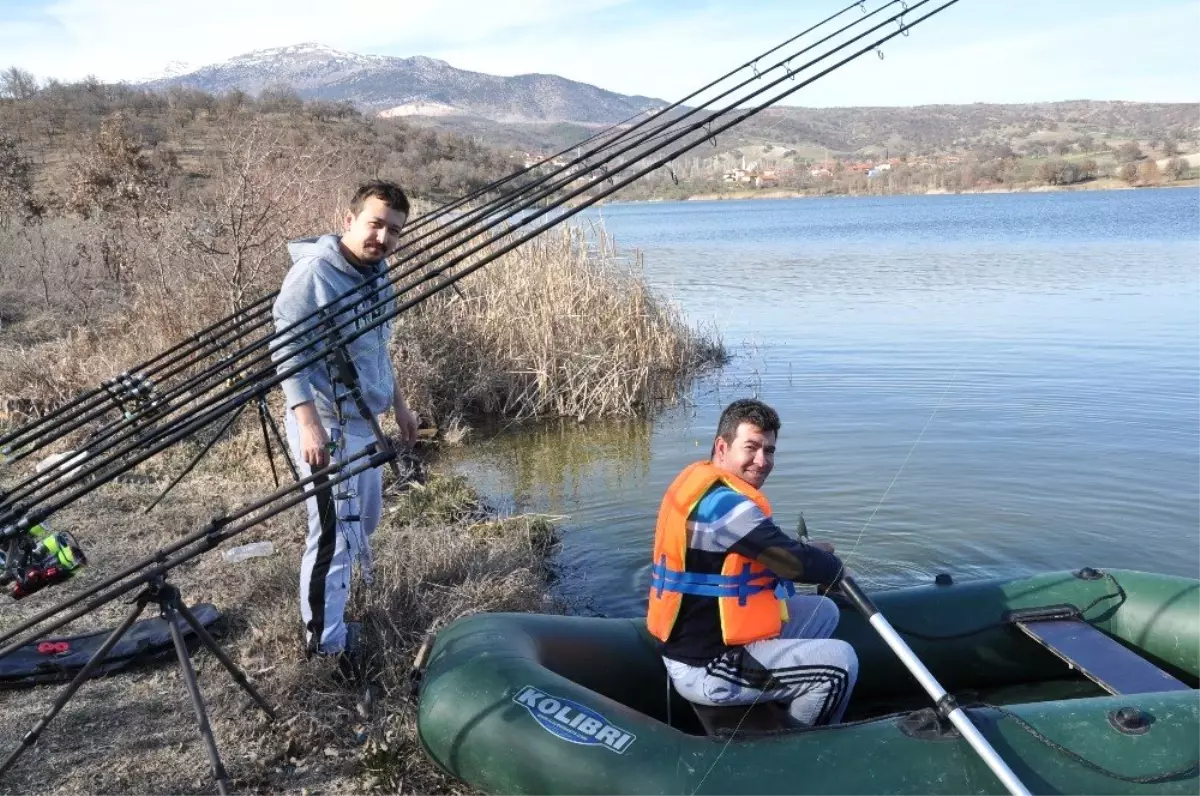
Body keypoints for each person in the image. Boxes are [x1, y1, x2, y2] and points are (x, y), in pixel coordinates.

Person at [271, 180, 419, 662]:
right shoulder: (314, 273)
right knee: (333, 533)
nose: (382, 237)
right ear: (350, 220)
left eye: (393, 231)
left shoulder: (379, 273)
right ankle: (324, 645)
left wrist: (399, 406)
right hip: (326, 423)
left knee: (364, 523)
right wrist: (309, 424)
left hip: (366, 420)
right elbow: (285, 348)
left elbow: (379, 348)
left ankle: (341, 612)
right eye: (375, 224)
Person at [646, 398, 858, 727]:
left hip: (714, 641)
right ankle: (802, 748)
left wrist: (814, 552)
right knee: (841, 664)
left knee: (824, 610)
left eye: (769, 450)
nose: (762, 461)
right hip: (708, 665)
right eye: (751, 447)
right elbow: (789, 562)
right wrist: (834, 568)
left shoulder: (708, 491)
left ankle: (784, 696)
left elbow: (762, 552)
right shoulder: (723, 506)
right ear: (722, 446)